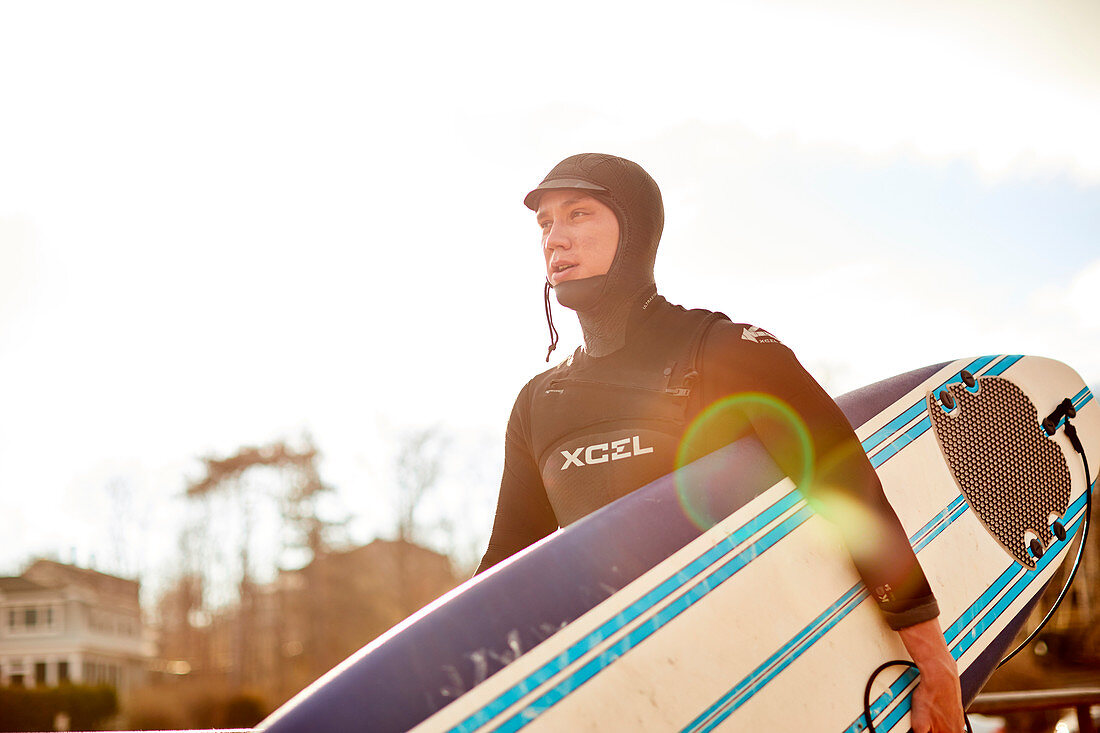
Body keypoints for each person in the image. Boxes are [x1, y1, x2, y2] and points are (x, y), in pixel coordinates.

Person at [477, 153, 964, 733]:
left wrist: (935, 665)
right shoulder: (540, 402)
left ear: (634, 230)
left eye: (578, 214)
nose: (555, 238)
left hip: (753, 678)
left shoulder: (732, 352)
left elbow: (851, 496)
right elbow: (503, 571)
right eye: (545, 224)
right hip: (620, 699)